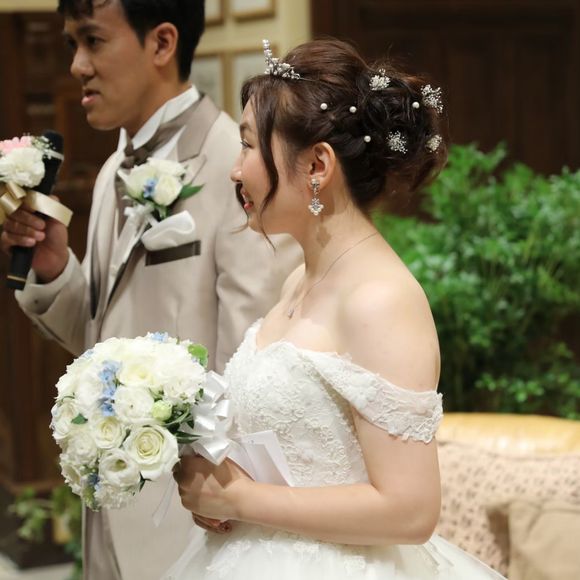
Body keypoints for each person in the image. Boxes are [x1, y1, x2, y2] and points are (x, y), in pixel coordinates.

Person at [169, 39, 506, 579]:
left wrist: (241, 500)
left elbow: (411, 510)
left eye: (249, 146)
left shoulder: (381, 300)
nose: (235, 171)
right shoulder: (298, 280)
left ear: (317, 165)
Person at [0, 2, 297, 579]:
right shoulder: (112, 170)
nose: (78, 66)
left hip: (191, 520)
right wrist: (56, 268)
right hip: (112, 503)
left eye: (93, 41)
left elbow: (255, 363)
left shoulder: (234, 167)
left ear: (162, 43)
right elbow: (102, 338)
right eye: (71, 45)